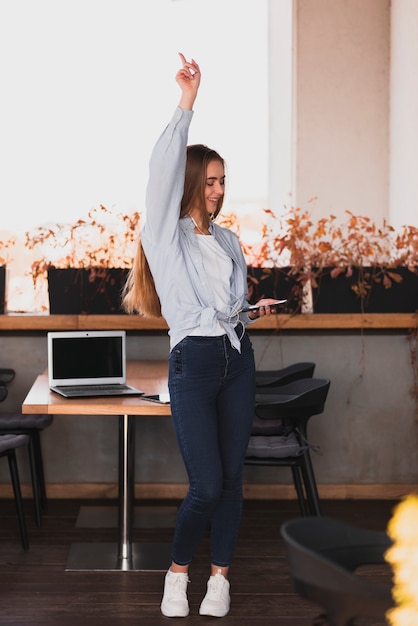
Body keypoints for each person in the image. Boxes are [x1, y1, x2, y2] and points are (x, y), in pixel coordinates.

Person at [123, 53, 280, 619]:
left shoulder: (231, 242)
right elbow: (160, 172)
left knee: (234, 480)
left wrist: (250, 311)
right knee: (206, 487)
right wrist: (187, 102)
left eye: (222, 181)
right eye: (210, 181)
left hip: (237, 360)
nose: (218, 190)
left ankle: (220, 581)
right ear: (191, 181)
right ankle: (177, 574)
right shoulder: (167, 237)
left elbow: (228, 310)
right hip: (193, 364)